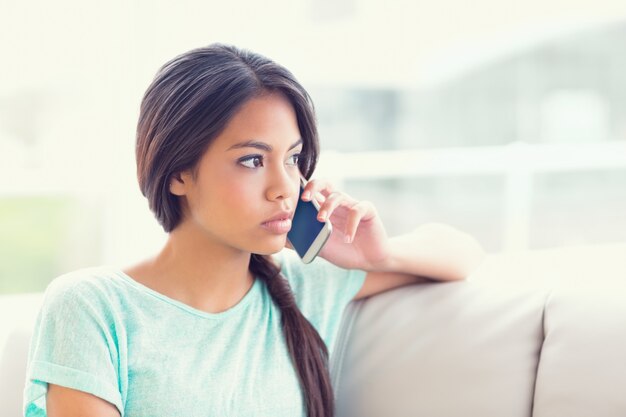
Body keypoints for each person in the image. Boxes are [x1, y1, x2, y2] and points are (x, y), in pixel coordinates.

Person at [23, 44, 486, 417]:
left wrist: (375, 256)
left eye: (292, 159)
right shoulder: (93, 306)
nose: (284, 188)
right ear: (179, 172)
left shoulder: (298, 286)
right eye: (252, 160)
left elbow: (461, 253)